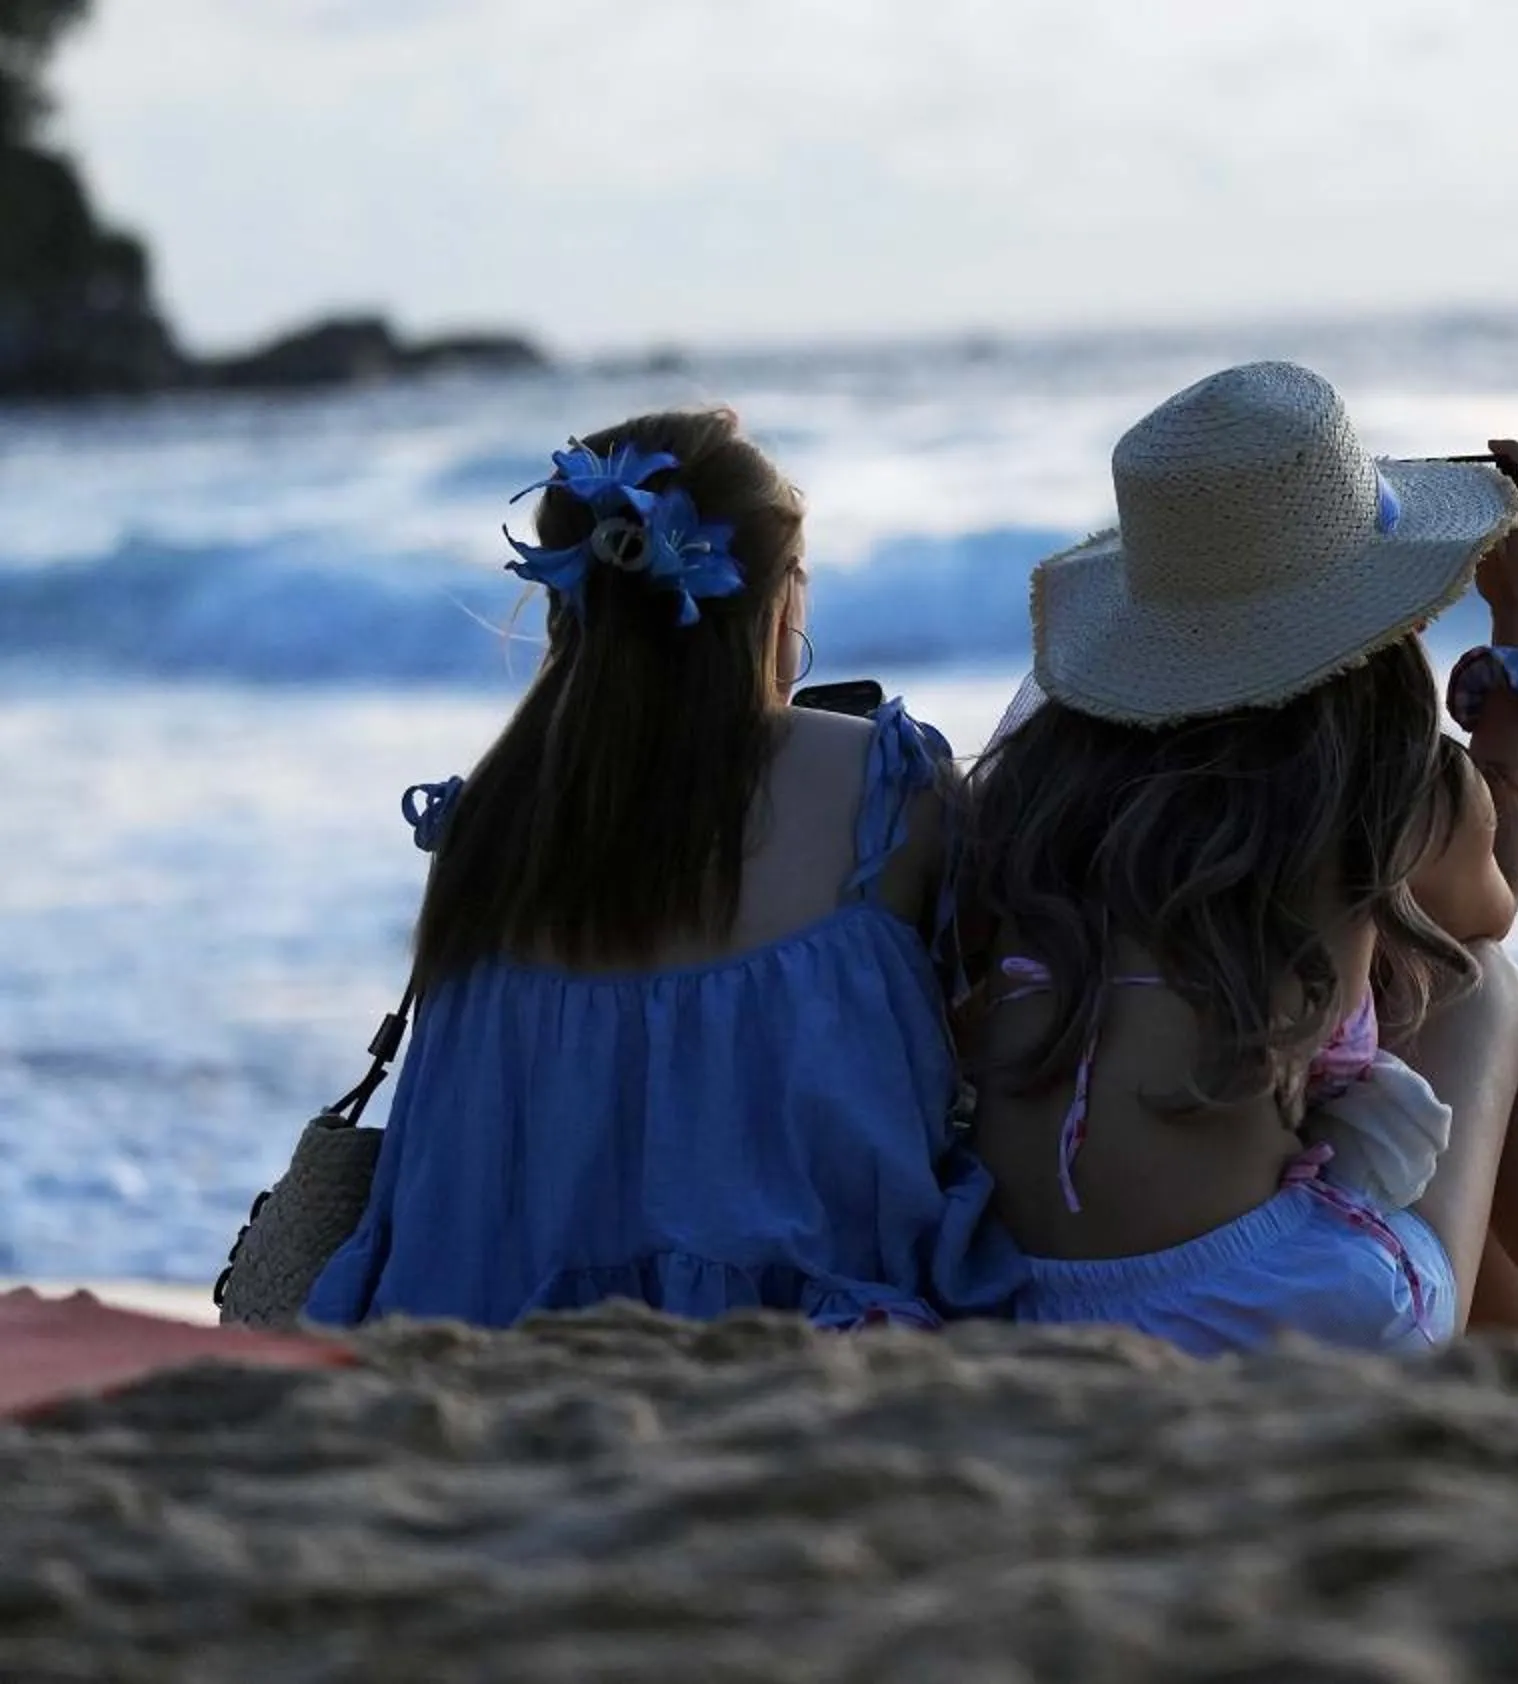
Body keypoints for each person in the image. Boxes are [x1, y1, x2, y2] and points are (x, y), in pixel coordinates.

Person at [953, 361, 1518, 1354]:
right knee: (1483, 989)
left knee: (1398, 1101)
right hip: (1273, 1308)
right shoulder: (1366, 784)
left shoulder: (1040, 787)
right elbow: (1490, 892)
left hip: (1024, 1298)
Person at [305, 409, 1007, 1329]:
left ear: (568, 597)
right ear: (777, 600)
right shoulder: (885, 792)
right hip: (807, 1340)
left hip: (482, 1333)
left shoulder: (483, 822)